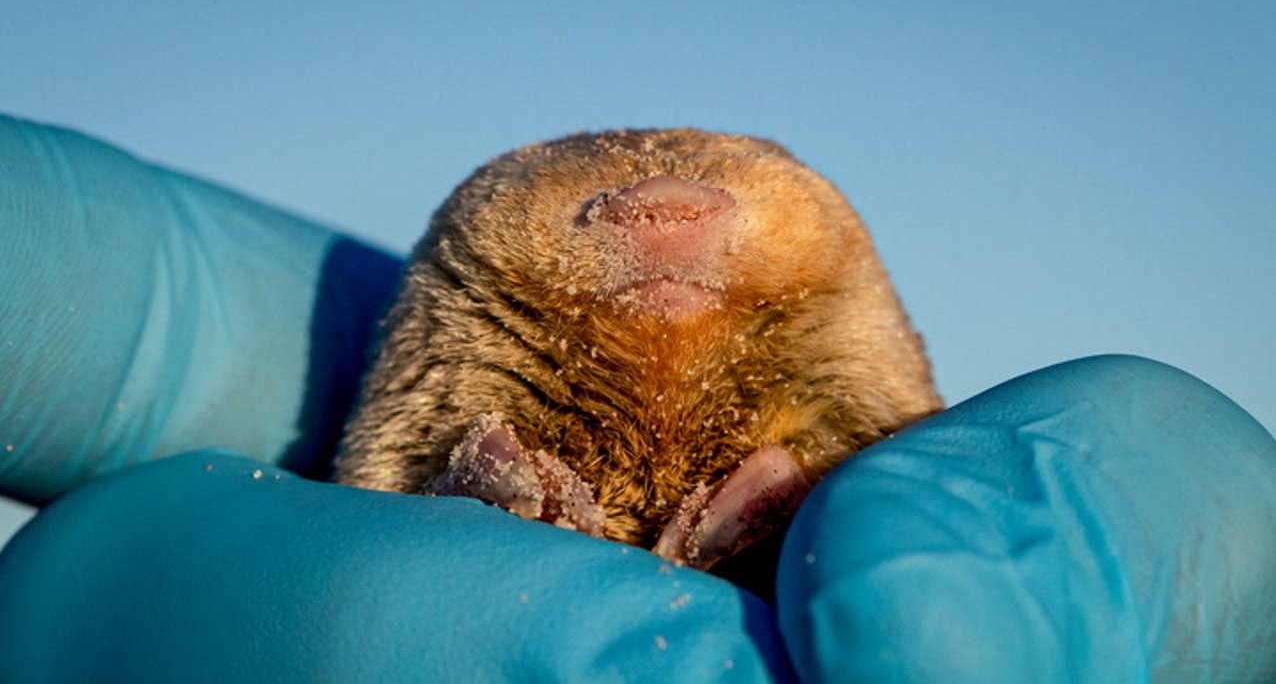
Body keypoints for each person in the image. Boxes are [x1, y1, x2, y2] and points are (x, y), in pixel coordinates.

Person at [0, 113, 1272, 682]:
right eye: (604, 201)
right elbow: (385, 466)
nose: (661, 215)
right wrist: (459, 490)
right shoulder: (472, 313)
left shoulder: (832, 321)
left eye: (705, 188)